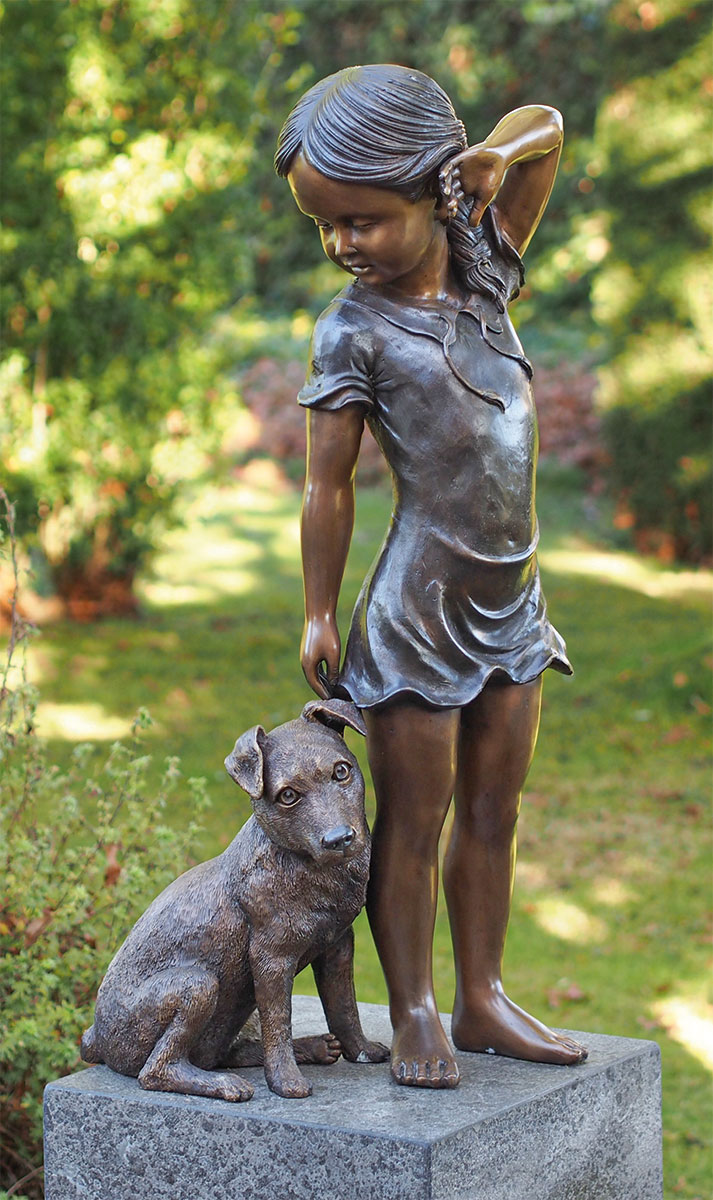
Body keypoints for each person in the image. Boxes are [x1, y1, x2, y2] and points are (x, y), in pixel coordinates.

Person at [275, 64, 588, 1089]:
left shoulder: (489, 268)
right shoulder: (351, 328)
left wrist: (492, 157)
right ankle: (411, 1007)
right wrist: (320, 611)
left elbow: (544, 127)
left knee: (495, 814)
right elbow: (328, 488)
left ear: (430, 189)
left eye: (360, 219)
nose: (341, 244)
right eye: (325, 227)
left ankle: (482, 997)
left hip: (512, 600)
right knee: (415, 822)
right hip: (417, 611)